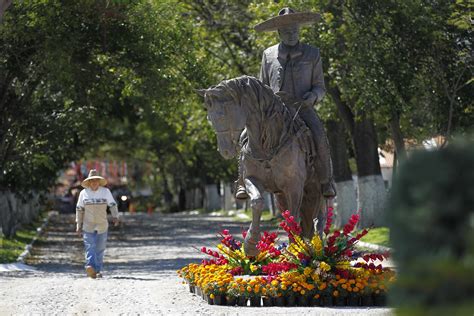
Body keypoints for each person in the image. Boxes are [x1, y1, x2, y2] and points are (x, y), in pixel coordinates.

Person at [235, 7, 336, 199]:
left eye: (295, 31)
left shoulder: (312, 53)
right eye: (287, 32)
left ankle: (326, 181)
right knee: (245, 135)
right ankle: (242, 181)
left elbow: (320, 87)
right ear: (279, 33)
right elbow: (262, 85)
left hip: (301, 107)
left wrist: (313, 97)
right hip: (273, 111)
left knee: (319, 135)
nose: (292, 35)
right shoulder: (268, 55)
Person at [76, 169, 119, 278]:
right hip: (88, 225)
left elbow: (112, 205)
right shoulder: (83, 193)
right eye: (92, 181)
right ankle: (90, 267)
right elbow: (79, 209)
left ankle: (98, 270)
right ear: (89, 182)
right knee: (90, 246)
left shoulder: (105, 192)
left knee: (100, 248)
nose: (94, 182)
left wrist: (115, 216)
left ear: (99, 182)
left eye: (96, 180)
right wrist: (78, 225)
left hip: (102, 225)